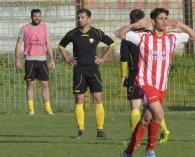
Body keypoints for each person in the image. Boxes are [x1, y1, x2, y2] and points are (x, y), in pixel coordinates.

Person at [115, 7, 195, 157]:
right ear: (153, 21)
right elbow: (118, 33)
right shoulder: (143, 37)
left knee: (146, 120)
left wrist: (180, 24)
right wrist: (135, 25)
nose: (164, 21)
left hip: (161, 86)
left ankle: (128, 152)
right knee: (159, 114)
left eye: (166, 18)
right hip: (146, 84)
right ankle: (150, 150)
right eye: (161, 18)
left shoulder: (173, 37)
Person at [58, 8, 116, 139]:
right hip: (79, 70)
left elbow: (112, 44)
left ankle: (100, 130)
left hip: (93, 70)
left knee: (97, 99)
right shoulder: (72, 34)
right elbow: (61, 46)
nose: (80, 20)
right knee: (79, 99)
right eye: (78, 17)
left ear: (89, 19)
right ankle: (81, 131)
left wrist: (102, 58)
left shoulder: (96, 32)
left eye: (82, 17)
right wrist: (68, 59)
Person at [118, 9, 171, 144]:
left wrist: (123, 75)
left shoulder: (129, 37)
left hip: (137, 74)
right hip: (153, 75)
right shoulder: (151, 35)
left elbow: (124, 58)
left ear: (132, 21)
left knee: (135, 107)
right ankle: (164, 130)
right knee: (154, 106)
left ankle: (134, 136)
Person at [14, 9, 56, 115]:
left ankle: (48, 109)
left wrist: (52, 59)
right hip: (29, 60)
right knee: (30, 85)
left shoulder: (44, 27)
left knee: (45, 85)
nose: (37, 18)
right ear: (31, 17)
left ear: (41, 16)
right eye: (35, 16)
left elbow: (48, 44)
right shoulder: (24, 28)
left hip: (42, 60)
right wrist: (17, 59)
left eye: (39, 16)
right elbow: (18, 44)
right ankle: (31, 110)